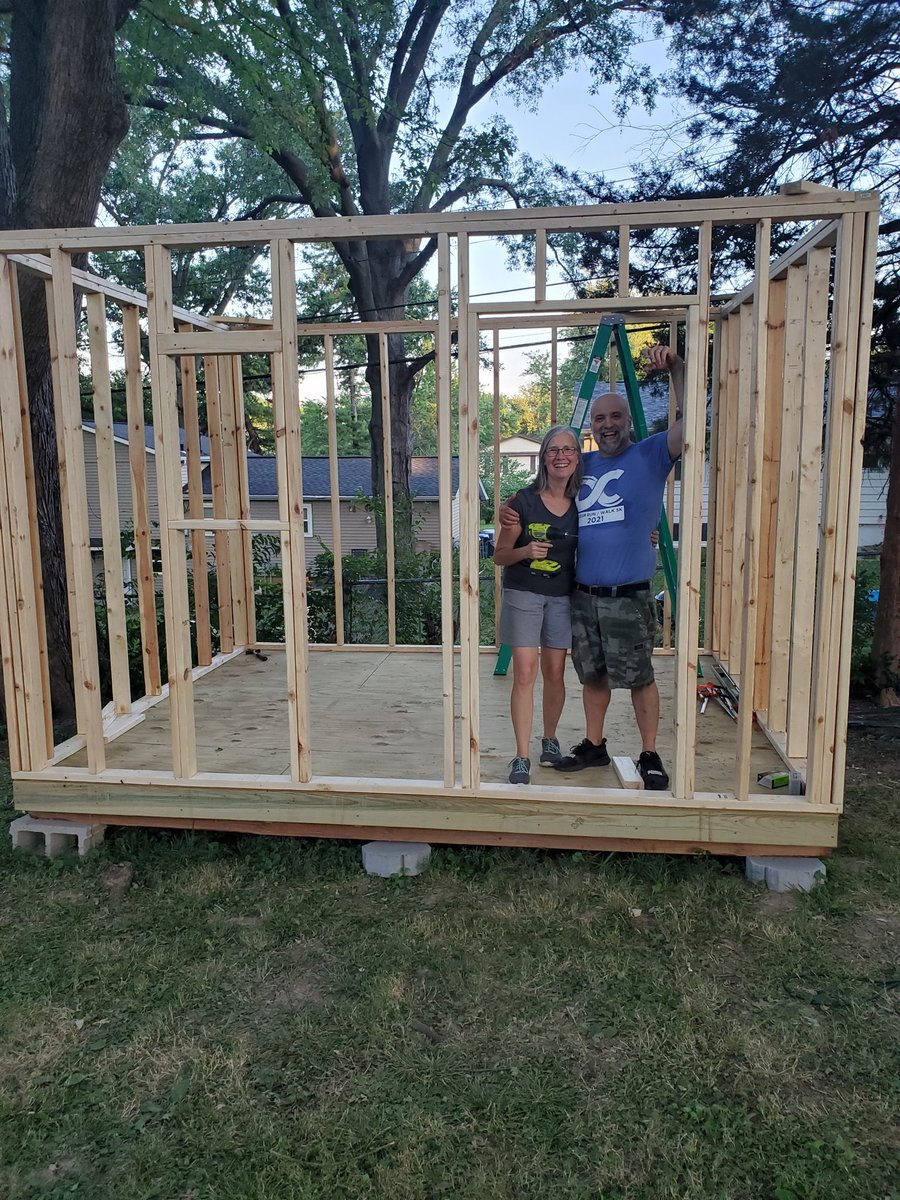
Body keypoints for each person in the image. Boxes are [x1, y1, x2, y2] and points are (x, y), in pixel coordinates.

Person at [552, 344, 685, 788]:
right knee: (593, 676)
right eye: (600, 419)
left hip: (628, 597)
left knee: (640, 677)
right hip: (584, 596)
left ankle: (650, 753)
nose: (608, 425)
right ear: (591, 427)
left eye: (615, 417)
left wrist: (679, 369)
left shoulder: (650, 455)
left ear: (628, 421)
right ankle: (594, 746)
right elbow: (543, 493)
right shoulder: (580, 465)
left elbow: (689, 426)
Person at [493, 426, 583, 785]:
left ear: (577, 457)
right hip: (523, 593)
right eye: (553, 450)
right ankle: (521, 756)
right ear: (543, 457)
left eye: (568, 450)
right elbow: (500, 555)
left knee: (556, 673)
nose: (560, 456)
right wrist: (526, 551)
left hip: (562, 596)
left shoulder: (584, 502)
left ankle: (550, 740)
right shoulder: (522, 502)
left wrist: (648, 535)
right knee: (525, 673)